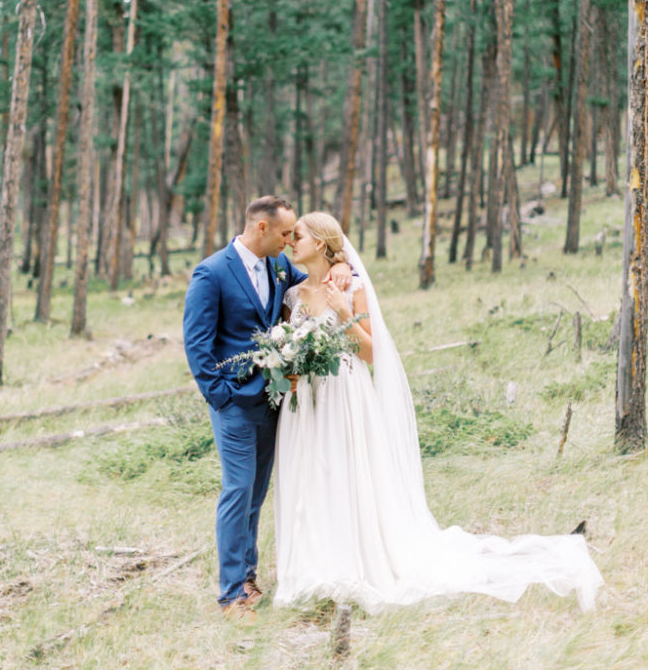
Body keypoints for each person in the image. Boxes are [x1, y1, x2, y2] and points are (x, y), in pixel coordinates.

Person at [273, 212, 603, 615]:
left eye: (300, 235)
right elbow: (288, 350)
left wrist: (343, 312)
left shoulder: (351, 288)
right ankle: (313, 569)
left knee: (345, 474)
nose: (292, 241)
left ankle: (353, 566)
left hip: (345, 395)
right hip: (305, 402)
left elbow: (374, 353)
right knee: (311, 478)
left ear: (322, 243)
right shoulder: (293, 296)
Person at [182, 196, 350, 620]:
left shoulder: (279, 267)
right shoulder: (212, 272)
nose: (291, 241)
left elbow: (317, 272)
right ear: (261, 228)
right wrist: (221, 397)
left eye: (295, 234)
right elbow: (197, 345)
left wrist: (343, 265)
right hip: (233, 405)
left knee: (255, 495)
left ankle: (249, 578)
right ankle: (230, 595)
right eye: (284, 233)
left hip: (275, 403)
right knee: (237, 491)